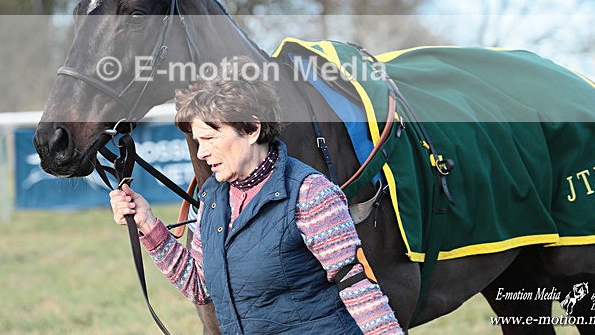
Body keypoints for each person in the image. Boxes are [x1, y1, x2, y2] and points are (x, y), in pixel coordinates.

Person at [110, 57, 402, 334]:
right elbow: (201, 287)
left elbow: (358, 289)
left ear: (251, 128)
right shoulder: (212, 197)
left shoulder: (311, 194)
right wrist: (147, 225)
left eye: (210, 138)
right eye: (198, 141)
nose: (201, 153)